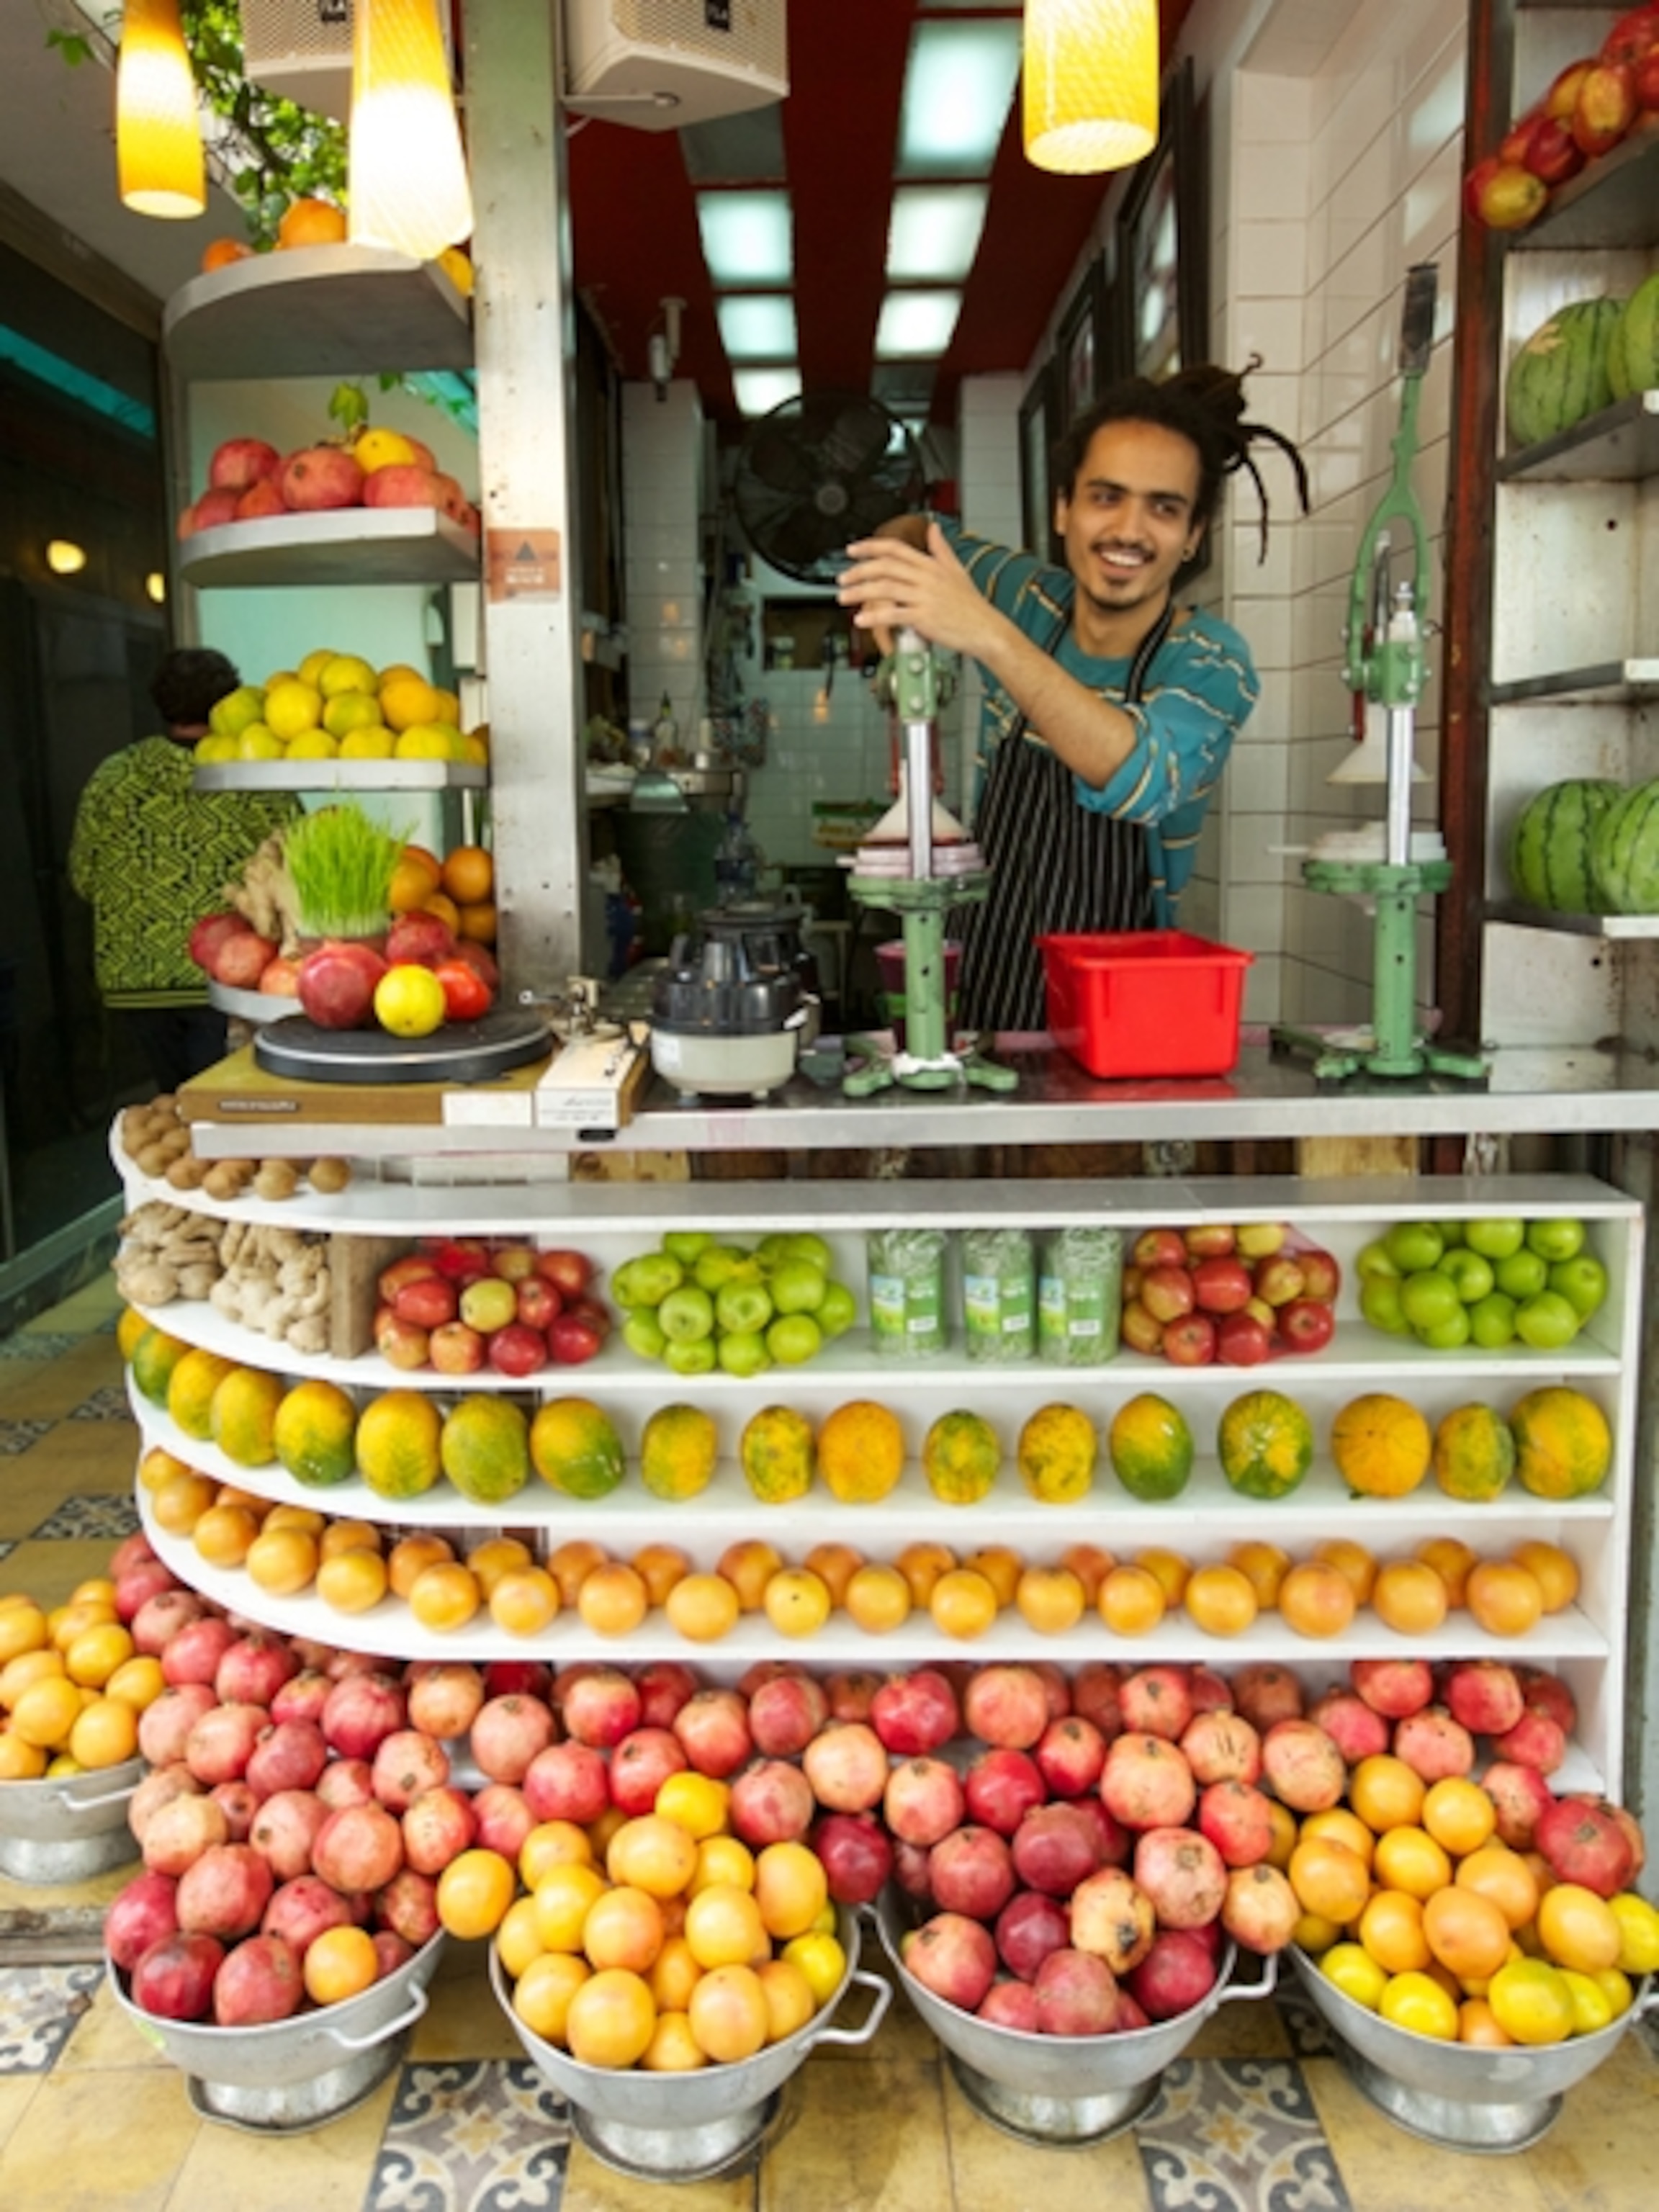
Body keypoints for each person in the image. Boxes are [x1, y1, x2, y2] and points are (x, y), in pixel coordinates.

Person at [837, 360, 1308, 1035]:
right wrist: (893, 567)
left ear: (1194, 535)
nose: (1130, 531)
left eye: (1165, 508)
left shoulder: (1209, 662)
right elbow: (916, 530)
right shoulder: (1026, 594)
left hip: (1118, 1025)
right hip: (983, 1001)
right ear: (1064, 507)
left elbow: (1138, 776)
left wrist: (989, 635)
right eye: (1106, 496)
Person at [68, 647, 300, 1093]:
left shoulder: (114, 777)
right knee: (226, 1107)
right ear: (228, 703)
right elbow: (296, 868)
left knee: (170, 1110)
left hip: (135, 979)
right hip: (232, 978)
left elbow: (84, 877)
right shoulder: (251, 776)